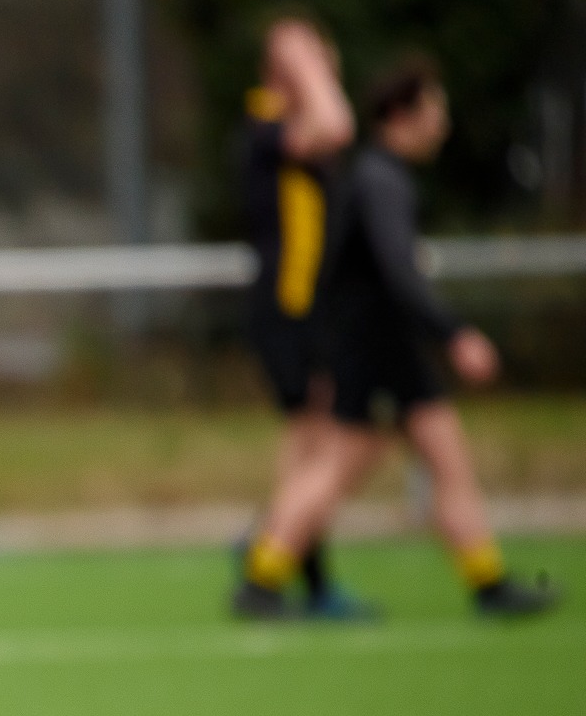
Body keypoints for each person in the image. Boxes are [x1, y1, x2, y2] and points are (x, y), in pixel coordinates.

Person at [234, 56, 559, 619]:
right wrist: (455, 333)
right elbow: (397, 271)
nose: (443, 124)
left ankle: (488, 582)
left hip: (383, 345)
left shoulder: (382, 177)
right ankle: (262, 577)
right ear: (403, 115)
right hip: (373, 347)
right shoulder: (380, 180)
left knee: (440, 455)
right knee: (344, 463)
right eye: (435, 111)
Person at [233, 15, 373, 619]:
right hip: (287, 312)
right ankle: (271, 563)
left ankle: (293, 568)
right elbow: (337, 124)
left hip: (308, 312)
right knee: (322, 447)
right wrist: (303, 59)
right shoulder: (266, 123)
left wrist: (311, 61)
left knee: (307, 450)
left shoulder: (286, 122)